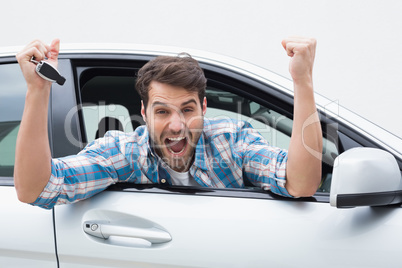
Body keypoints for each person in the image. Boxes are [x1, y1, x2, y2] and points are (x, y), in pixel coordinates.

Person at [14, 37, 323, 209]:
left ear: (204, 108)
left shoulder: (232, 142)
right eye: (162, 112)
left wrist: (303, 81)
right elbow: (36, 189)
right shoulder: (126, 152)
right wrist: (37, 91)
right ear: (144, 113)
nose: (177, 126)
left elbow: (301, 182)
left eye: (187, 109)